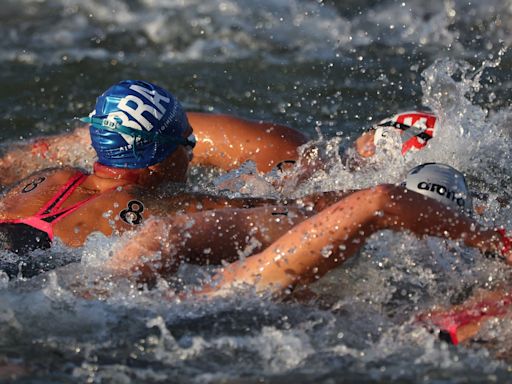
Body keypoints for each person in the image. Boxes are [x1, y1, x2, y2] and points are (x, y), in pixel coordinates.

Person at [106, 163, 511, 296]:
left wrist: (111, 282)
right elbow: (380, 201)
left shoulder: (322, 242)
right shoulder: (462, 266)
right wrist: (492, 240)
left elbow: (162, 235)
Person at [0, 83, 307, 186]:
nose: (192, 150)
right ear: (154, 164)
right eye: (189, 143)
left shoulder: (49, 179)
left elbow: (11, 163)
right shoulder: (162, 222)